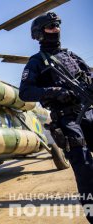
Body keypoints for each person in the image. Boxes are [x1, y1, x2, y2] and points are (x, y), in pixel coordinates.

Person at [19, 12, 93, 223]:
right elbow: (25, 92)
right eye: (50, 26)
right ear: (39, 34)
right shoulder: (36, 62)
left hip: (88, 111)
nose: (56, 29)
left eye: (57, 25)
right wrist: (53, 91)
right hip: (68, 120)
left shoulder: (72, 56)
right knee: (85, 168)